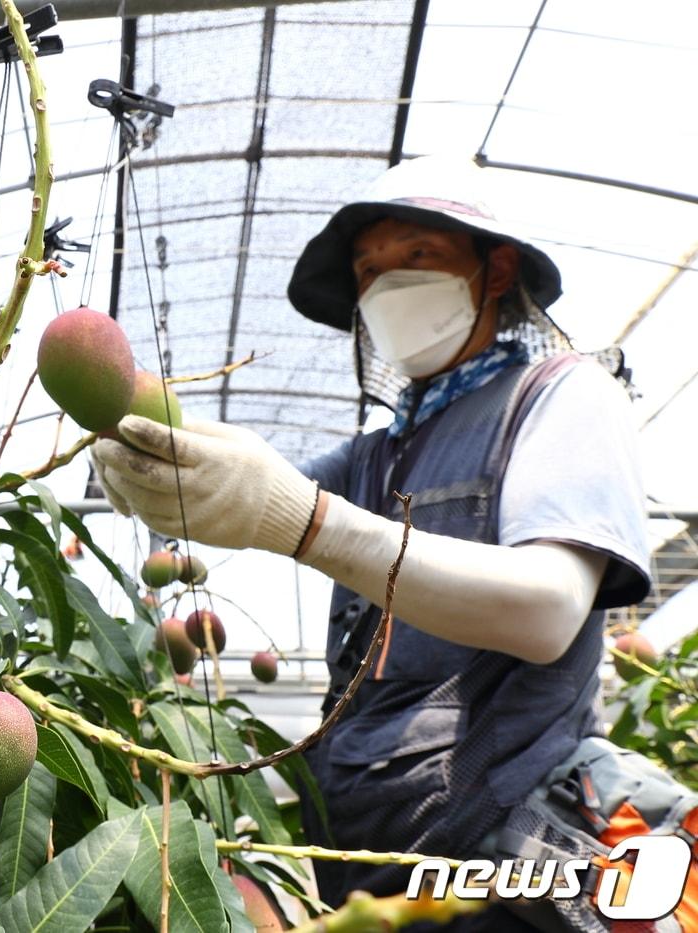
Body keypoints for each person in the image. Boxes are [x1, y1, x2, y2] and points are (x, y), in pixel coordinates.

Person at [92, 156, 651, 928]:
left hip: (499, 857)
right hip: (364, 863)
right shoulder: (378, 451)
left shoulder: (559, 393)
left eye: (416, 256)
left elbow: (548, 609)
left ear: (496, 270)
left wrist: (305, 522)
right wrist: (153, 450)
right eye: (369, 269)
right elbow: (257, 482)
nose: (387, 285)